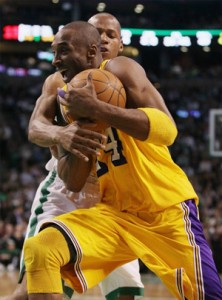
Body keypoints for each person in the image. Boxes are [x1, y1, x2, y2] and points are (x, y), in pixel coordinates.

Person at [23, 18, 222, 300]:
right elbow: (73, 180)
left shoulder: (120, 68)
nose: (55, 61)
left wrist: (99, 109)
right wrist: (69, 135)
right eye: (54, 52)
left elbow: (167, 130)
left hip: (163, 211)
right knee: (41, 248)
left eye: (64, 51)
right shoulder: (64, 96)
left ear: (91, 52)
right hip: (113, 213)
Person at [1, 15, 144, 300]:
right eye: (98, 32)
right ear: (88, 42)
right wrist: (60, 134)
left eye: (110, 35)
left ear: (121, 44)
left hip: (112, 201)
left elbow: (156, 128)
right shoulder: (58, 81)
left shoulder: (129, 82)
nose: (103, 39)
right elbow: (35, 127)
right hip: (66, 194)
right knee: (33, 290)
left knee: (126, 293)